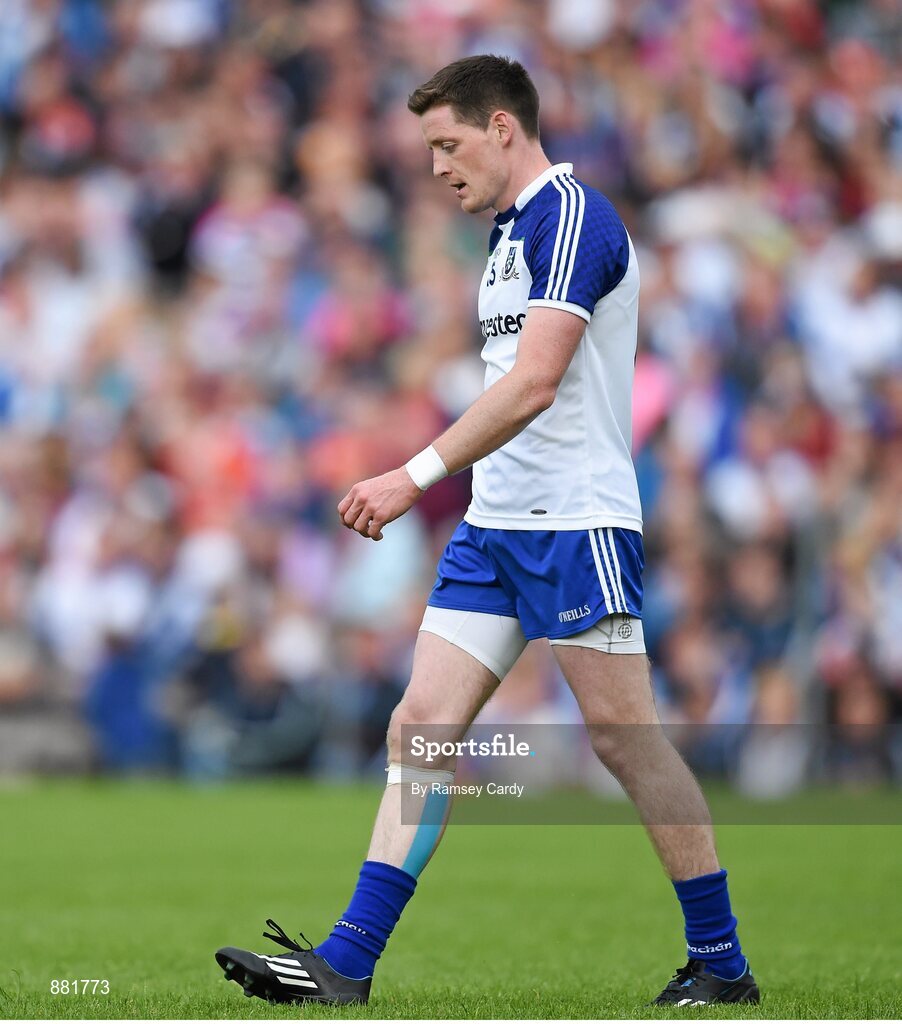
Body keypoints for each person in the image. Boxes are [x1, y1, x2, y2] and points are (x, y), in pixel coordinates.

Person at [214, 54, 759, 1009]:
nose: (436, 167)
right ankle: (346, 963)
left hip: (572, 523)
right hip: (495, 526)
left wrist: (410, 474)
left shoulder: (573, 216)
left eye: (448, 144)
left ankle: (721, 958)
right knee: (420, 726)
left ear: (503, 126)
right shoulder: (508, 234)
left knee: (626, 741)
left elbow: (537, 381)